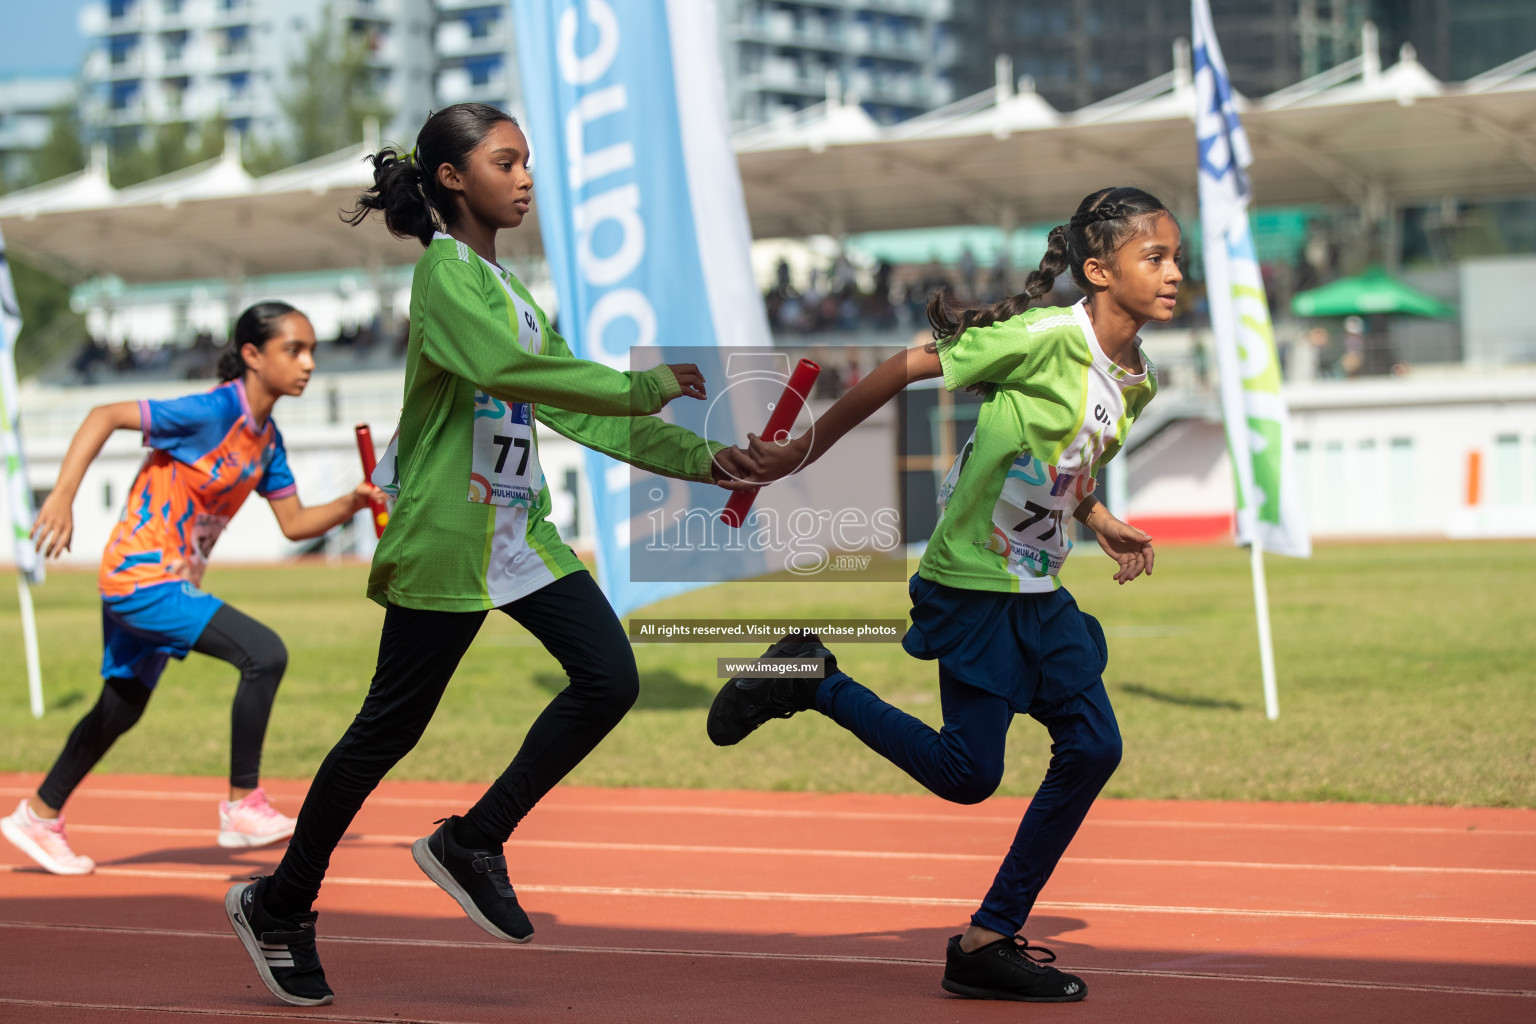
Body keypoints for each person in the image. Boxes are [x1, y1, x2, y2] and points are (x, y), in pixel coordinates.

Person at [225, 102, 756, 1007]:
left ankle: (473, 839)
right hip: (447, 539)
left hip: (520, 532)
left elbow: (572, 406)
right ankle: (280, 904)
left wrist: (708, 459)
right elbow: (512, 376)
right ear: (449, 179)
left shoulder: (513, 293)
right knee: (387, 731)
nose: (524, 179)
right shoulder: (443, 276)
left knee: (609, 680)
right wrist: (646, 385)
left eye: (526, 164)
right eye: (504, 162)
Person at [708, 186, 1178, 1004]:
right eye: (1156, 258)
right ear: (1099, 270)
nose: (1174, 273)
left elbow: (1069, 456)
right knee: (968, 775)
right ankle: (811, 677)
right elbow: (905, 366)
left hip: (1037, 586)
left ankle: (988, 940)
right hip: (970, 583)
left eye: (1177, 258)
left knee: (1095, 746)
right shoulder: (1041, 339)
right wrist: (797, 454)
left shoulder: (1137, 376)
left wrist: (1096, 514)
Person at [3, 302, 381, 875]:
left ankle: (40, 813)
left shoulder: (267, 439)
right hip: (141, 576)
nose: (307, 364)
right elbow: (103, 415)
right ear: (252, 355)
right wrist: (61, 496)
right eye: (294, 350)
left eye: (312, 352)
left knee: (121, 705)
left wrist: (353, 502)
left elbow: (296, 523)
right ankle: (241, 804)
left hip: (169, 579)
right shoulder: (210, 411)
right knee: (264, 653)